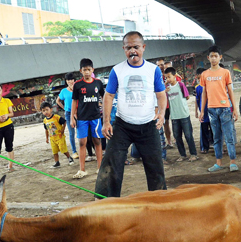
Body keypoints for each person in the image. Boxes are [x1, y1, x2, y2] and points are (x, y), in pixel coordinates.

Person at [96, 31, 167, 198]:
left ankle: (160, 203)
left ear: (143, 47)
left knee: (156, 168)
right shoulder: (117, 70)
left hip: (148, 126)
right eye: (128, 48)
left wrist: (162, 114)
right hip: (122, 126)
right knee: (111, 164)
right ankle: (105, 202)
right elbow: (109, 95)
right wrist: (106, 122)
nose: (132, 51)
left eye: (136, 47)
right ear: (123, 49)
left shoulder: (153, 70)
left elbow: (161, 94)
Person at [199, 45, 239, 172]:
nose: (214, 58)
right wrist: (202, 110)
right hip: (211, 109)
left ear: (220, 57)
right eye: (212, 56)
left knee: (229, 137)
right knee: (216, 138)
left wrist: (235, 109)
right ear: (208, 58)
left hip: (225, 108)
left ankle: (232, 162)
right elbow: (204, 93)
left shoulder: (225, 72)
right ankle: (218, 163)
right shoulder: (205, 74)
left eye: (216, 56)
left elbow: (230, 91)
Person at [71, 58, 105, 178]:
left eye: (89, 69)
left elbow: (105, 97)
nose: (86, 72)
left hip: (95, 118)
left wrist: (106, 113)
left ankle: (100, 167)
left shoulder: (98, 83)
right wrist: (72, 118)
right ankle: (82, 170)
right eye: (84, 70)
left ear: (92, 70)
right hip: (82, 119)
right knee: (82, 143)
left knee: (97, 141)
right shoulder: (78, 85)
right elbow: (74, 101)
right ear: (81, 71)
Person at [163, 67, 198, 162]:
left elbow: (187, 97)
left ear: (174, 76)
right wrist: (164, 89)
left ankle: (193, 154)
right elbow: (162, 98)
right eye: (166, 78)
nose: (168, 79)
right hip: (174, 117)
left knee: (188, 135)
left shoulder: (181, 85)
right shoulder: (166, 89)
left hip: (184, 115)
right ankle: (183, 155)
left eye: (169, 77)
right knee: (177, 137)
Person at [41, 101, 73, 169]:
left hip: (60, 136)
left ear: (51, 109)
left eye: (47, 110)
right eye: (43, 111)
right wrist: (46, 138)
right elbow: (46, 129)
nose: (45, 112)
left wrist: (62, 130)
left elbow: (64, 122)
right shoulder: (45, 120)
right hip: (52, 138)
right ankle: (57, 162)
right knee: (54, 151)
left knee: (63, 149)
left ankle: (69, 157)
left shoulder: (56, 117)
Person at [56, 72, 79, 159]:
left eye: (72, 79)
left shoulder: (77, 89)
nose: (70, 81)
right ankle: (74, 151)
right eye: (68, 80)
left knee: (81, 131)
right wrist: (64, 108)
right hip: (69, 113)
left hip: (78, 112)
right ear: (66, 81)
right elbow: (58, 101)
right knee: (71, 133)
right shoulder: (64, 91)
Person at [156, 58, 174, 149]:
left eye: (161, 64)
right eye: (158, 65)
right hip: (164, 104)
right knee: (165, 123)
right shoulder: (156, 77)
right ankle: (169, 141)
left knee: (175, 122)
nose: (160, 67)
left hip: (173, 102)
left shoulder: (171, 75)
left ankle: (173, 140)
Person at [194, 68, 213, 154]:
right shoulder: (198, 88)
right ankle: (205, 147)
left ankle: (216, 146)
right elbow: (197, 100)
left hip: (213, 111)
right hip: (204, 113)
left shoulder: (212, 85)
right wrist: (196, 111)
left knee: (215, 130)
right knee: (204, 130)